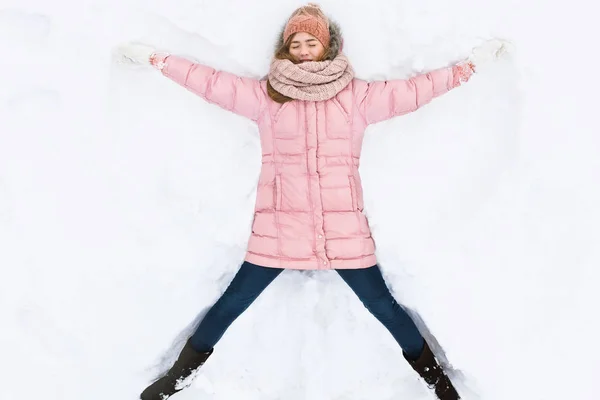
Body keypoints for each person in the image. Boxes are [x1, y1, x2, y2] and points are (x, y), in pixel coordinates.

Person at [115, 3, 510, 400]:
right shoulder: (267, 97)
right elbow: (212, 82)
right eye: (296, 44)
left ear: (328, 47)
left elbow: (412, 92)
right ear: (285, 51)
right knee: (231, 304)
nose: (303, 50)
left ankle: (438, 381)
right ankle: (178, 377)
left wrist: (467, 68)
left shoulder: (355, 98)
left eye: (311, 42)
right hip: (279, 231)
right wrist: (157, 59)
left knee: (385, 308)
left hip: (343, 234)